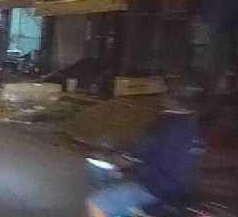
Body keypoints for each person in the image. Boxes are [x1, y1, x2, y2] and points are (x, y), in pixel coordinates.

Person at [86, 81, 203, 216]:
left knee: (97, 202)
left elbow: (137, 156)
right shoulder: (192, 124)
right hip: (179, 187)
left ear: (171, 98)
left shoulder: (166, 124)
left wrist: (114, 159)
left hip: (153, 188)